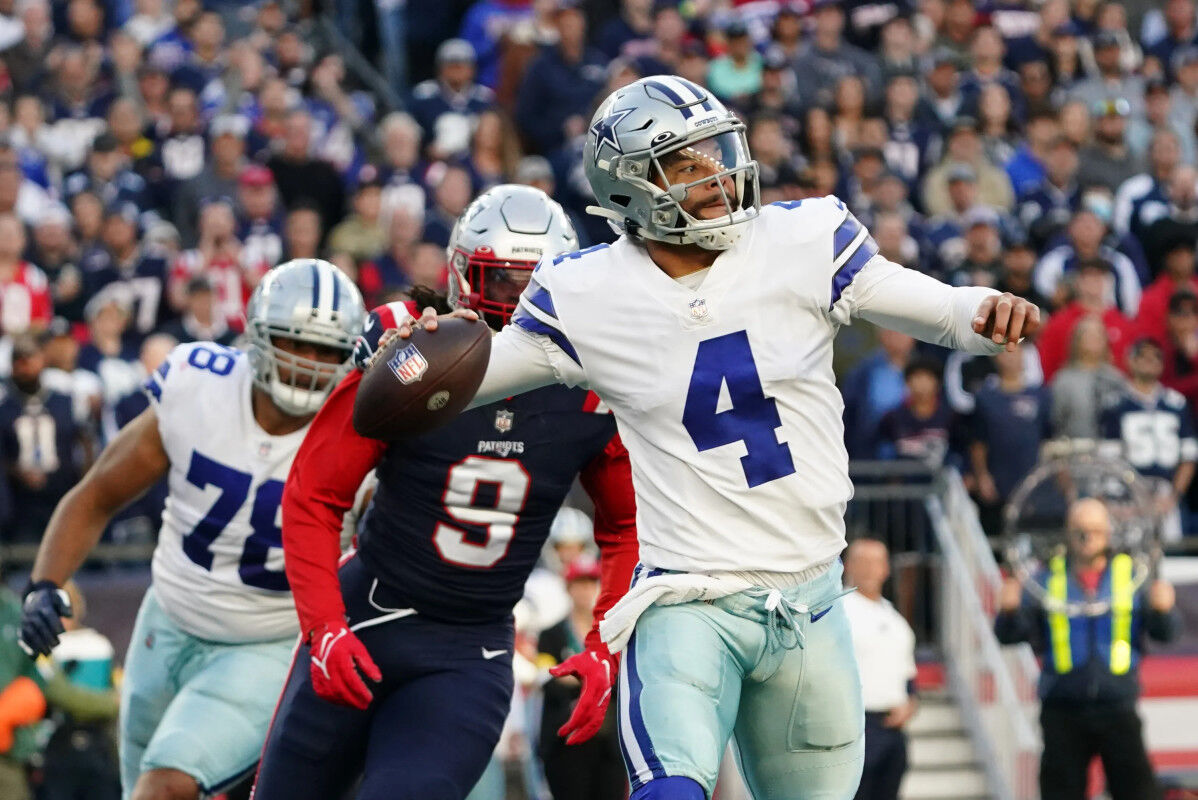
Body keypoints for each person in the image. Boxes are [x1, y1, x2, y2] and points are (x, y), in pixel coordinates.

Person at [399, 75, 1040, 800]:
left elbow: (940, 307)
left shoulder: (804, 237)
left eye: (717, 150)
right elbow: (460, 378)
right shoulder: (584, 293)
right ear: (630, 186)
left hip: (811, 602)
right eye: (686, 163)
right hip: (687, 601)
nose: (716, 174)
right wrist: (412, 357)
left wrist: (988, 310)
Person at [251, 185, 639, 800]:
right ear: (462, 276)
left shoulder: (596, 377)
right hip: (366, 614)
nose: (519, 307)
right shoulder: (407, 345)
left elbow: (625, 527)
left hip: (469, 652)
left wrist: (604, 646)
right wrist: (324, 626)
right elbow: (315, 496)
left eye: (535, 286)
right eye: (504, 284)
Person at [17, 258, 366, 800]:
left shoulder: (364, 425)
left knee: (165, 786)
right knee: (139, 788)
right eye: (295, 343)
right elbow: (98, 494)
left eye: (327, 351)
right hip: (167, 621)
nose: (311, 364)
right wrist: (45, 584)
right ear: (257, 335)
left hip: (267, 642)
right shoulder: (199, 385)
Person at [996, 498, 1179, 800]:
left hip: (1117, 705)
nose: (1087, 537)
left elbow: (1166, 634)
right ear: (1068, 532)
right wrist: (1009, 611)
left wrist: (1163, 610)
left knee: (1139, 791)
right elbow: (1009, 635)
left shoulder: (1131, 575)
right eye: (1080, 530)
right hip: (1062, 708)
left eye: (1094, 530)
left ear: (1108, 533)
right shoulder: (1045, 578)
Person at [538, 554, 627, 800]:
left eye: (591, 582)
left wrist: (575, 675)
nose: (586, 590)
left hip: (607, 742)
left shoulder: (611, 634)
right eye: (580, 583)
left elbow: (621, 678)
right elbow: (547, 678)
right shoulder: (551, 635)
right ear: (569, 588)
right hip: (565, 742)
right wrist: (596, 677)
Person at [841, 539, 918, 800]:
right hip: (856, 727)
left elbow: (907, 673)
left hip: (894, 729)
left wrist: (911, 703)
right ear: (848, 565)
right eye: (865, 562)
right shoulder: (838, 611)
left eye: (878, 562)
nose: (872, 569)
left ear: (886, 568)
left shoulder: (894, 618)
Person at [1099, 337, 1197, 541]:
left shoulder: (1176, 403)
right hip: (1128, 498)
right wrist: (1120, 500)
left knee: (1171, 555)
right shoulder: (1115, 405)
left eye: (1156, 357)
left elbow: (1188, 457)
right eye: (1143, 356)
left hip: (1165, 496)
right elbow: (1108, 461)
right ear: (1130, 361)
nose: (1149, 361)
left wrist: (1173, 497)